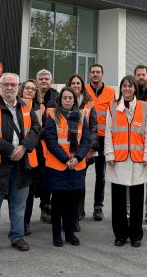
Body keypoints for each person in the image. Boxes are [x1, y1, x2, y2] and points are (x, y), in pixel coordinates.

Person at [0, 72, 40, 256]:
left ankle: (17, 236)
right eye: (6, 85)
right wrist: (9, 150)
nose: (9, 88)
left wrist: (23, 148)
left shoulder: (27, 106)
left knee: (19, 205)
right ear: (0, 87)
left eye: (13, 84)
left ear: (17, 86)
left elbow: (36, 130)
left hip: (22, 163)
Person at [105, 75, 147, 247]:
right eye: (124, 86)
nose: (127, 89)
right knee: (117, 201)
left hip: (138, 160)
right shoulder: (112, 107)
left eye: (130, 86)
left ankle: (135, 234)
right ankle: (120, 234)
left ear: (135, 89)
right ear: (121, 89)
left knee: (136, 200)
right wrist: (109, 154)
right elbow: (108, 133)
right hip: (117, 160)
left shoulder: (144, 107)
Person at [42, 87, 91, 247]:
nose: (68, 100)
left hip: (76, 167)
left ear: (75, 100)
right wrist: (66, 159)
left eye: (71, 98)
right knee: (57, 203)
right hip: (58, 167)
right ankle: (57, 235)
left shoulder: (81, 116)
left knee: (73, 203)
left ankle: (70, 234)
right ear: (60, 100)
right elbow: (50, 141)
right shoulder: (52, 116)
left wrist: (77, 158)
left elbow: (86, 141)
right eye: (65, 98)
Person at [66, 73, 98, 228]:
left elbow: (93, 127)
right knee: (65, 184)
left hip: (82, 151)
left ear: (82, 86)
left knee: (79, 183)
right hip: (65, 151)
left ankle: (78, 213)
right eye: (73, 83)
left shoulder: (89, 104)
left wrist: (90, 148)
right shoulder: (64, 101)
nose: (76, 86)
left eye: (79, 83)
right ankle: (65, 214)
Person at [85, 64, 115, 221]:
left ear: (102, 75)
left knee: (100, 175)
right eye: (93, 72)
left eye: (98, 72)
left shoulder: (111, 92)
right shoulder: (83, 90)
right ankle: (79, 208)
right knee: (80, 172)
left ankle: (98, 207)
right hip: (85, 137)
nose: (95, 74)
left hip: (103, 138)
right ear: (89, 75)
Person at [19, 79, 44, 236]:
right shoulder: (15, 105)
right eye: (27, 88)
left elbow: (42, 130)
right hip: (16, 151)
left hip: (34, 153)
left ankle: (26, 222)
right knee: (17, 190)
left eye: (33, 89)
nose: (30, 91)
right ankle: (17, 220)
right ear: (21, 90)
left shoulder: (40, 108)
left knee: (29, 191)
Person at [36, 69, 58, 222]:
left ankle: (46, 207)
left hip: (49, 145)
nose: (44, 81)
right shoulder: (29, 94)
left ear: (51, 81)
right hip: (32, 145)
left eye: (46, 79)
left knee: (48, 178)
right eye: (41, 79)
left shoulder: (57, 97)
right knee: (32, 179)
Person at [134, 64, 147, 223]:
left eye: (143, 74)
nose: (141, 77)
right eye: (138, 74)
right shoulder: (130, 92)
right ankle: (128, 209)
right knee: (130, 177)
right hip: (132, 142)